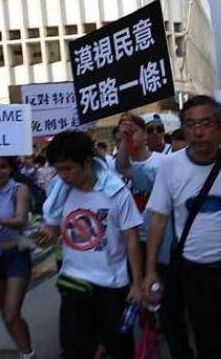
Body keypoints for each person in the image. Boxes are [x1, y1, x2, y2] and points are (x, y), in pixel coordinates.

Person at [143, 95, 221, 359]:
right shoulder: (170, 166)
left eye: (206, 123)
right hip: (193, 272)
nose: (198, 132)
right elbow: (158, 218)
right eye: (190, 125)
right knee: (206, 340)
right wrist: (150, 271)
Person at [35, 131, 144, 359]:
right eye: (58, 169)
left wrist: (137, 283)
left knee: (119, 350)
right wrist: (42, 236)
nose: (63, 175)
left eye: (68, 168)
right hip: (74, 282)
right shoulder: (60, 192)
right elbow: (53, 230)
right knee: (74, 351)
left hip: (112, 286)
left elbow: (132, 238)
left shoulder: (116, 192)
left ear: (87, 162)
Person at [0, 157, 34, 359]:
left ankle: (28, 354)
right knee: (7, 315)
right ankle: (24, 349)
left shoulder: (19, 189)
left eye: (2, 166)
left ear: (11, 168)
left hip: (16, 255)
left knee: (11, 313)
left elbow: (20, 220)